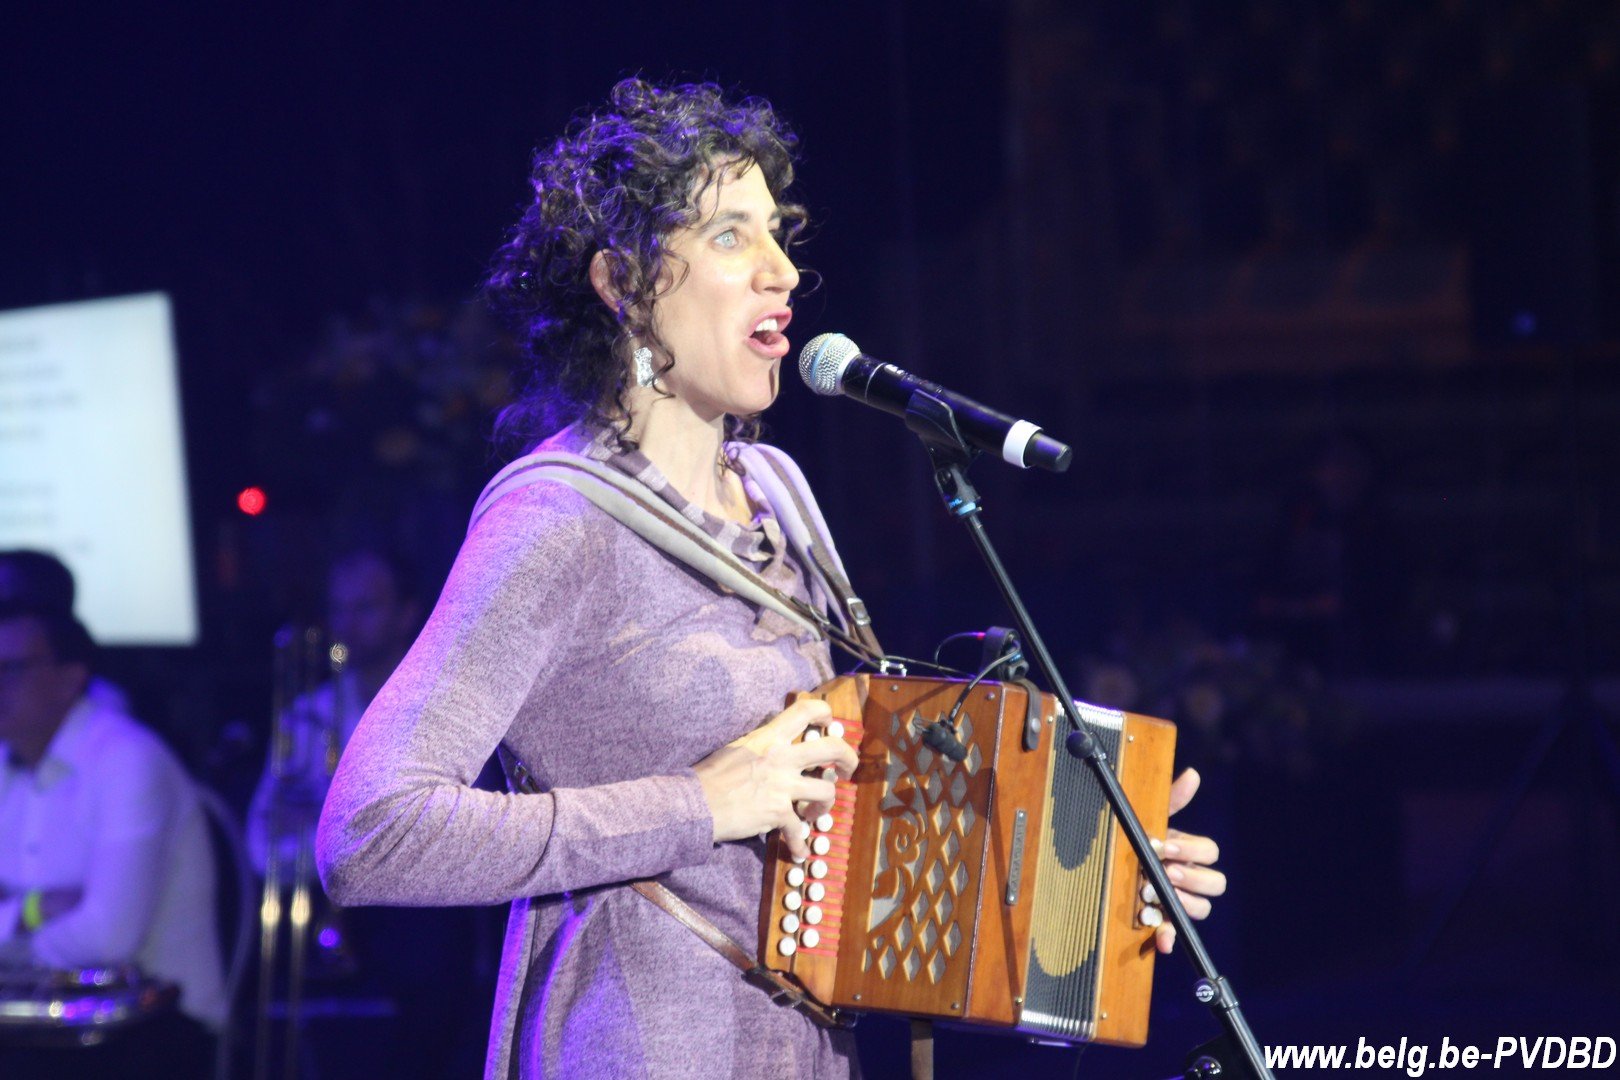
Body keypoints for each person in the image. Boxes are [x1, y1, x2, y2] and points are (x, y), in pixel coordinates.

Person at [317, 79, 1225, 1080]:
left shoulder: (777, 488)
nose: (784, 272)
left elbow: (856, 853)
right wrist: (697, 805)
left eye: (779, 234)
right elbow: (369, 833)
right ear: (622, 281)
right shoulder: (556, 520)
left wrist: (1088, 884)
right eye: (730, 236)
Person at [0, 598, 226, 1080]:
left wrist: (15, 935)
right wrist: (33, 911)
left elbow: (109, 937)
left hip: (158, 1021)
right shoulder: (6, 763)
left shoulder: (127, 759)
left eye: (12, 667)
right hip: (47, 1017)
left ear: (72, 676)